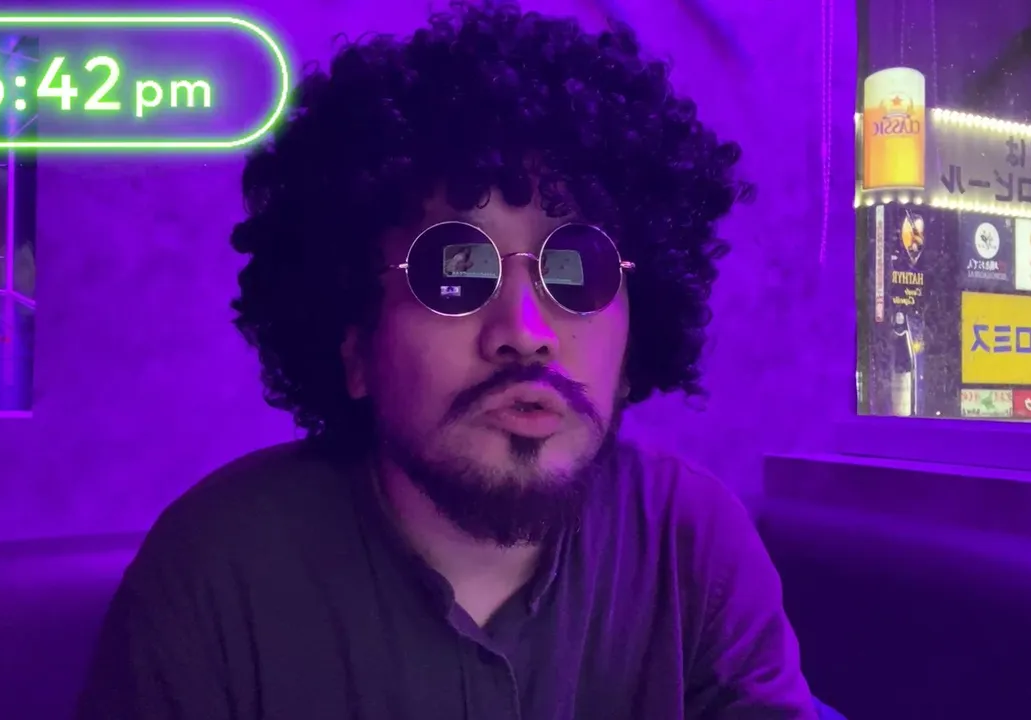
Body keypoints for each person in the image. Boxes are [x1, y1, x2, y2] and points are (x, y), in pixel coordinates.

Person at [77, 2, 818, 718]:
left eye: (577, 269)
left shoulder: (693, 548)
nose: (525, 331)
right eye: (454, 269)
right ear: (355, 344)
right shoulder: (212, 576)